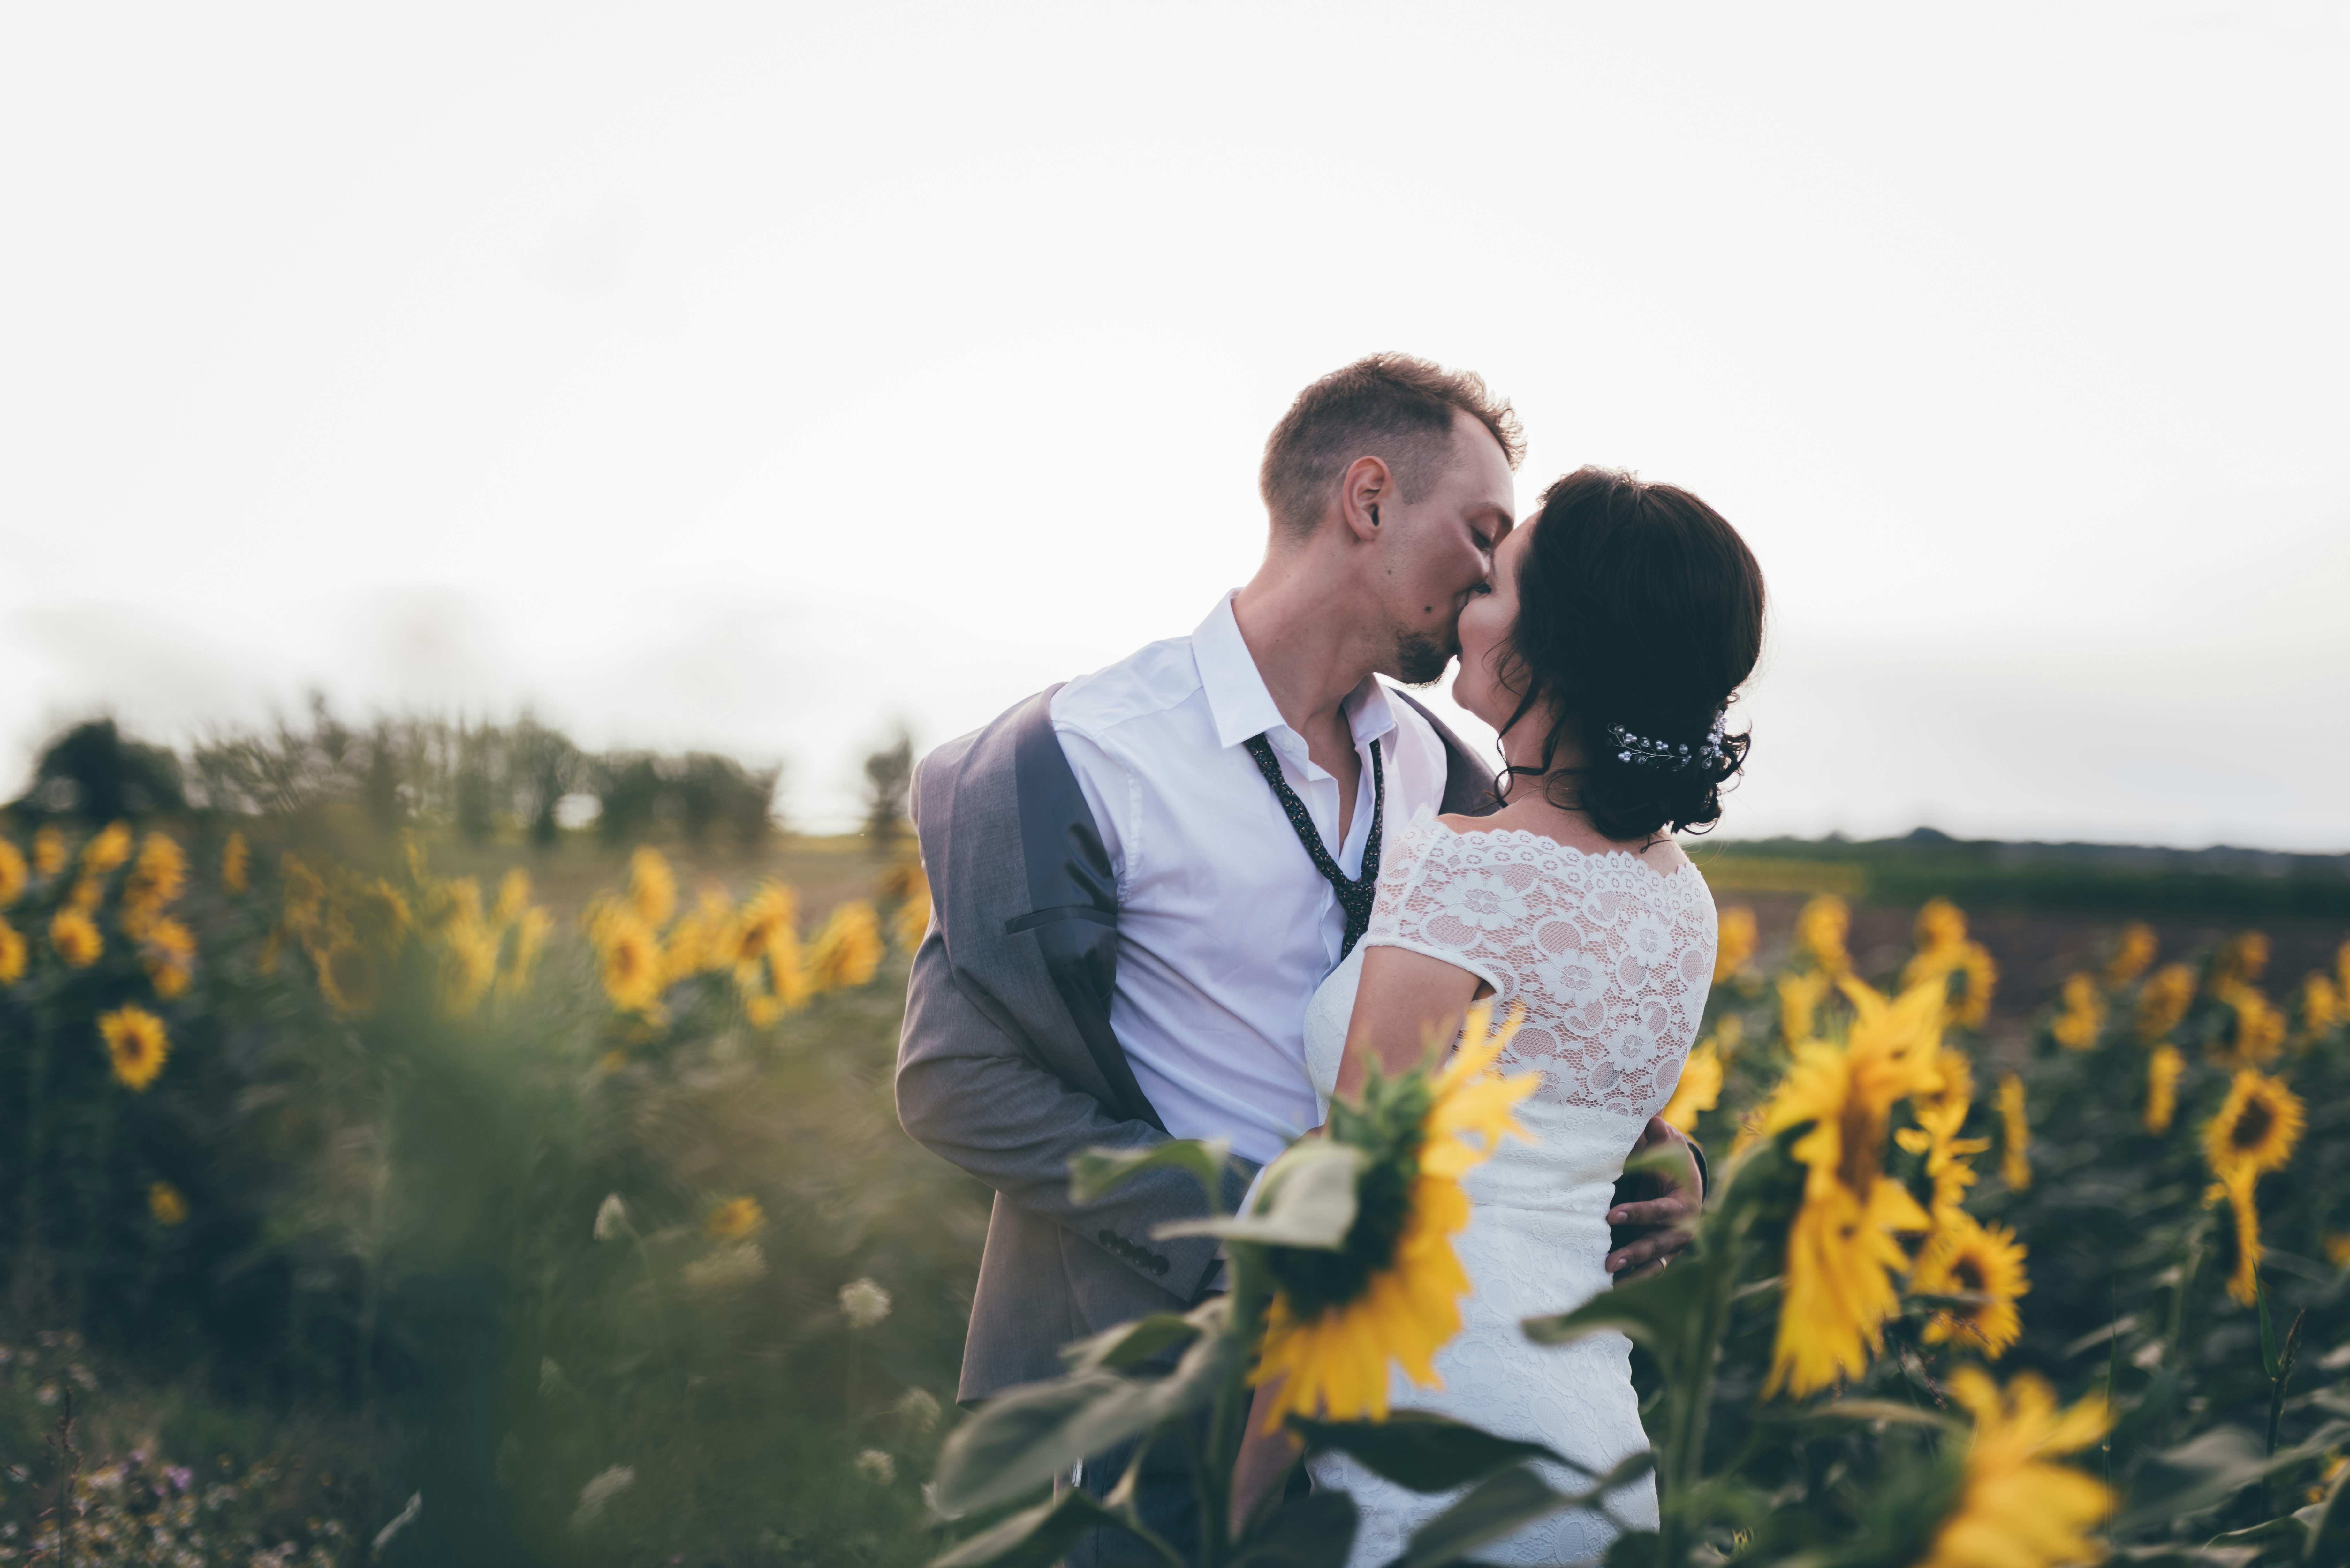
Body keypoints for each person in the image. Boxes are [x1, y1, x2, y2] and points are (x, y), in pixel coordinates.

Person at [894, 357, 1706, 1566]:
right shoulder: (1080, 755)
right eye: (1481, 532)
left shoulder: (1454, 778)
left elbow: (1527, 1009)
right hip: (1170, 1375)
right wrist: (1251, 1237)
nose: (1494, 574)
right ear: (1368, 500)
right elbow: (950, 1081)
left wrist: (1659, 1158)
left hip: (1416, 1380)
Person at [1233, 465, 1767, 1563]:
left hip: (1437, 1457)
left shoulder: (1471, 872)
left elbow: (1344, 1225)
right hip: (1599, 1462)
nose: (1466, 599)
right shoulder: (1684, 898)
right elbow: (1580, 1134)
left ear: (1550, 652)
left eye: (1495, 584)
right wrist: (1680, 1168)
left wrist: (1232, 1503)